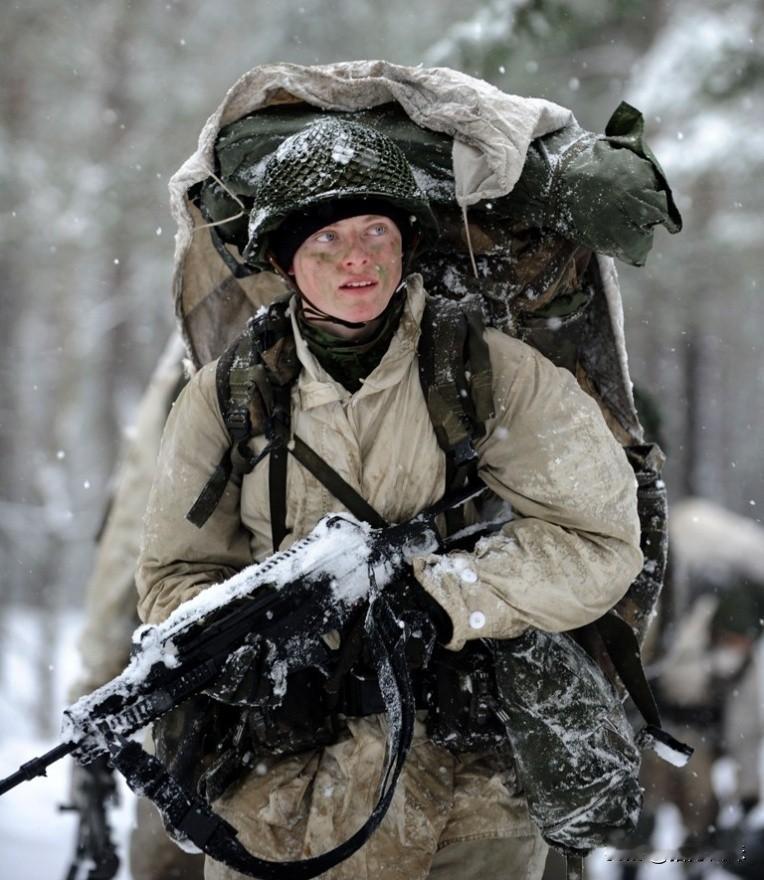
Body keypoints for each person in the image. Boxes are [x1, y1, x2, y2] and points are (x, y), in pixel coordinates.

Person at [136, 119, 643, 880]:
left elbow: (600, 542)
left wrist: (446, 599)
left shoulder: (482, 370)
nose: (358, 259)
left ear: (407, 241)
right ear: (282, 258)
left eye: (376, 230)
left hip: (470, 793)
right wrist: (259, 647)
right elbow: (171, 577)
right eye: (326, 241)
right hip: (278, 801)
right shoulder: (231, 395)